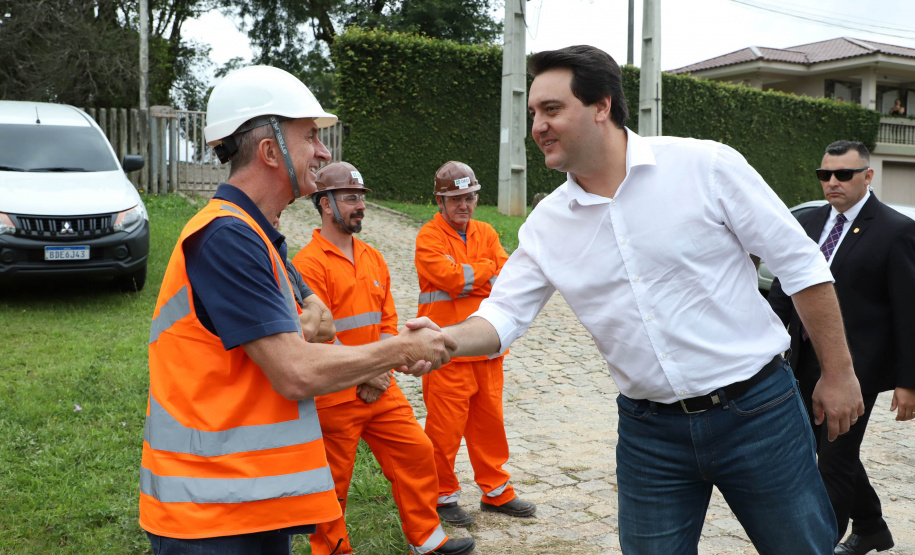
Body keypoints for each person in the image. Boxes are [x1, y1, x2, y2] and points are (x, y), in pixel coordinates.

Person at [407, 45, 866, 555]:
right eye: (533, 113)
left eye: (552, 109)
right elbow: (504, 313)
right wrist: (446, 339)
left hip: (758, 412)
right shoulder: (548, 225)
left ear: (602, 105)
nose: (537, 125)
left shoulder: (705, 167)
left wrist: (838, 373)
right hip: (651, 436)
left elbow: (801, 265)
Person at [140, 66, 453, 555]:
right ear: (269, 151)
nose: (324, 151)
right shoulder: (228, 237)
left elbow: (320, 321)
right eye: (310, 137)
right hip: (212, 516)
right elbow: (295, 371)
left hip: (248, 500)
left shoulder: (260, 233)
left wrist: (307, 329)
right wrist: (400, 349)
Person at [291, 161, 475, 555]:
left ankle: (427, 539)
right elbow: (317, 335)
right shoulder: (308, 265)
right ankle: (332, 551)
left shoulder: (373, 257)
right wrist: (365, 373)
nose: (360, 205)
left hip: (381, 387)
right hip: (336, 391)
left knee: (417, 452)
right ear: (325, 204)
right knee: (331, 481)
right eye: (350, 198)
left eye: (361, 198)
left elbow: (390, 322)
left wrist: (382, 369)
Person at [767, 141, 915, 555]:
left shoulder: (895, 229)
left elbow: (908, 311)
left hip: (857, 369)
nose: (832, 182)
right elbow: (785, 288)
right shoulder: (810, 222)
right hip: (802, 360)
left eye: (843, 174)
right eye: (825, 174)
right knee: (828, 449)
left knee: (833, 461)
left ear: (868, 176)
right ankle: (871, 527)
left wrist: (909, 381)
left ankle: (816, 545)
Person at [414, 161, 535, 526]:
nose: (463, 205)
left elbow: (506, 278)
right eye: (455, 199)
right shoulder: (428, 237)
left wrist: (475, 274)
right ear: (440, 200)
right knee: (444, 431)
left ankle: (496, 492)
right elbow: (452, 280)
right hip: (446, 352)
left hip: (487, 350)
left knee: (490, 425)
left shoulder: (486, 231)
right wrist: (485, 271)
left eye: (469, 197)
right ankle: (441, 495)